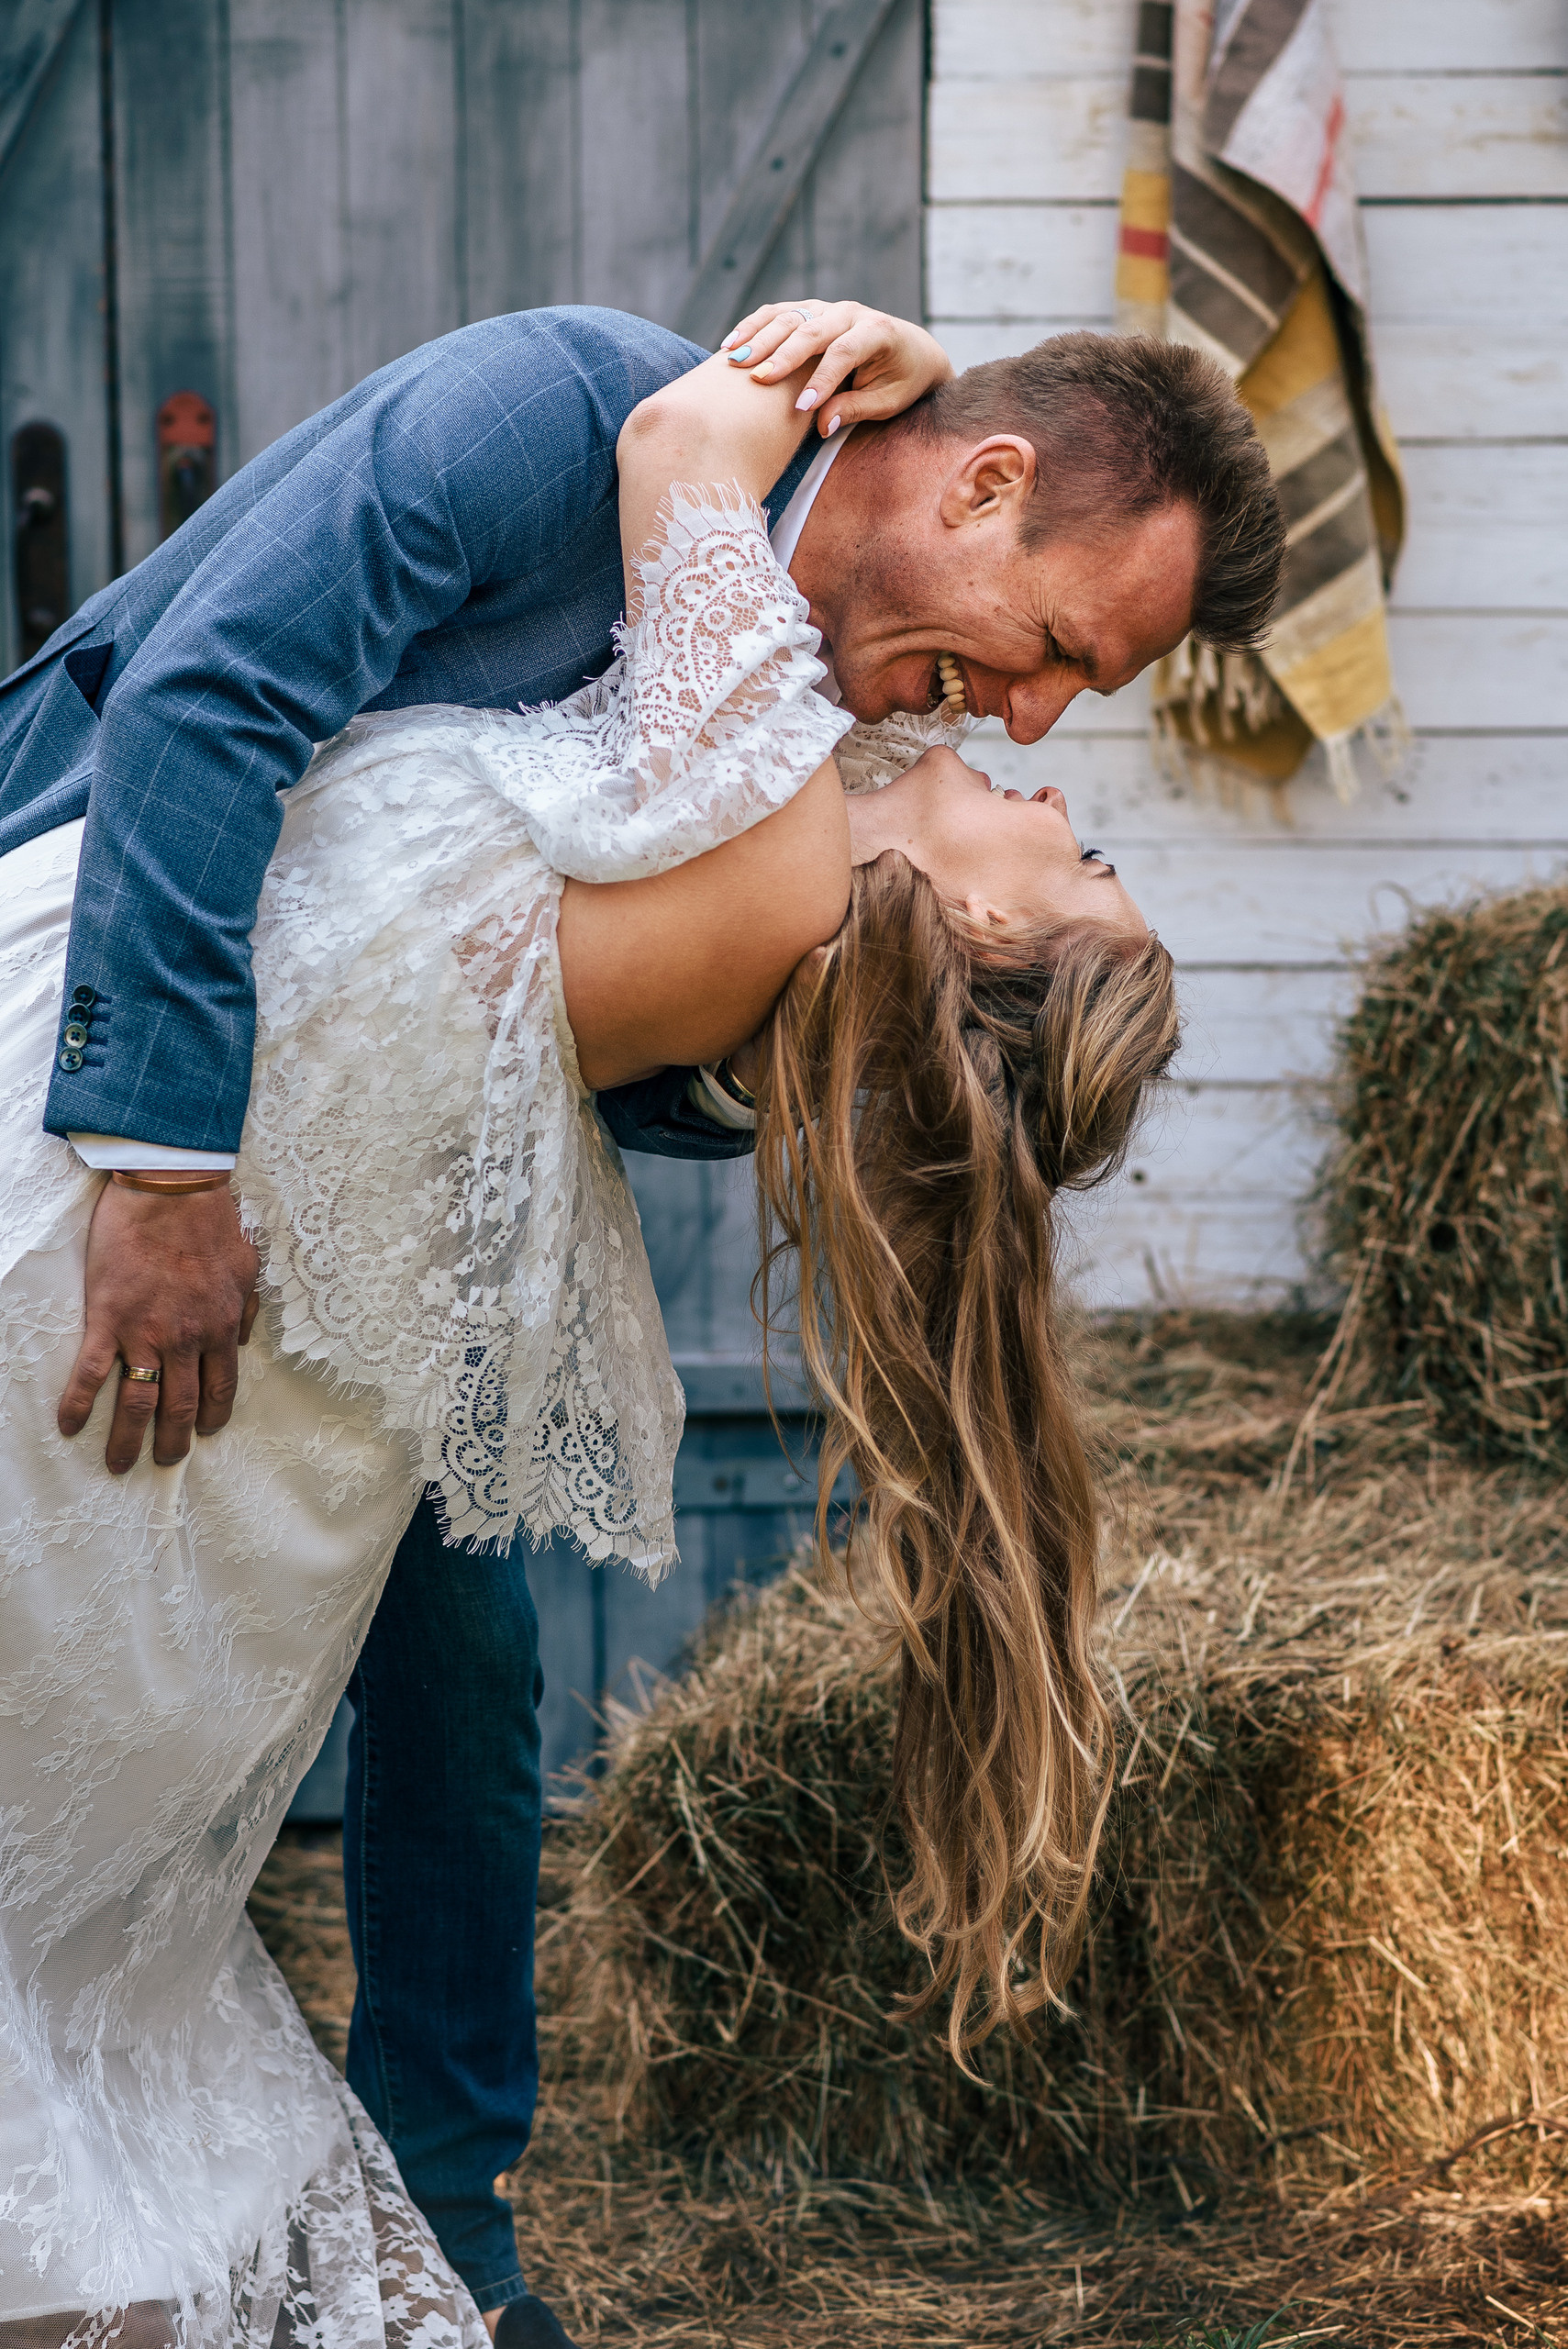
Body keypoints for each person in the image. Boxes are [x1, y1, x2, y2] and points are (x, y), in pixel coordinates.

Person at [0, 303, 1283, 2343]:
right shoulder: (565, 414)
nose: (1037, 734)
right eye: (1061, 650)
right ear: (982, 480)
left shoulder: (809, 753)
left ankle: (450, 2204)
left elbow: (641, 1028)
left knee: (464, 1651)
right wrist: (158, 1158)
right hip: (106, 967)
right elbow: (205, 696)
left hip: (341, 1210)